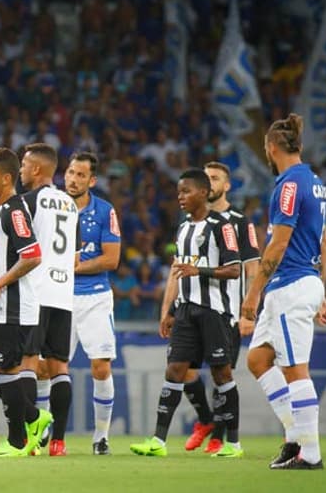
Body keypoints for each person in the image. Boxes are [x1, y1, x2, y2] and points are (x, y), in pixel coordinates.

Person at [130, 169, 242, 458]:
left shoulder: (223, 225)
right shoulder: (182, 229)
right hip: (185, 310)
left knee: (221, 373)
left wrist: (199, 270)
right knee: (175, 370)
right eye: (178, 192)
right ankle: (158, 441)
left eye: (186, 191)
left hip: (214, 311)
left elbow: (234, 269)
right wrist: (168, 310)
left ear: (203, 193)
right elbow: (178, 271)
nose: (180, 197)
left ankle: (233, 443)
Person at [242, 113, 326, 470]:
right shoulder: (316, 183)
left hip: (290, 285)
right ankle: (295, 438)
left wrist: (252, 294)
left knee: (296, 370)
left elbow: (278, 245)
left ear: (271, 148)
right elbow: (323, 241)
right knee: (258, 360)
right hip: (303, 281)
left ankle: (310, 455)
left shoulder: (289, 185)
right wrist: (321, 289)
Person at [0, 147, 52, 457]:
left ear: (6, 179)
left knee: (7, 370)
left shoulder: (16, 211)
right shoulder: (0, 211)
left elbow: (32, 255)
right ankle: (34, 416)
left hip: (13, 306)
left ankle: (17, 442)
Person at [182, 161, 261, 454]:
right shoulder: (191, 220)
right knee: (186, 371)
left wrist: (248, 311)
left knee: (221, 375)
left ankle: (218, 436)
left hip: (226, 311)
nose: (210, 183)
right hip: (191, 308)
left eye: (215, 178)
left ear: (226, 186)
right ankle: (205, 421)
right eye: (206, 178)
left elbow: (253, 267)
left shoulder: (240, 222)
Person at [18, 143, 79, 456]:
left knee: (28, 362)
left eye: (25, 165)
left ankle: (30, 437)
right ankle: (59, 441)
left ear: (38, 169)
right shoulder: (69, 203)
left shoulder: (30, 201)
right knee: (59, 365)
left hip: (37, 291)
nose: (21, 170)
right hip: (63, 292)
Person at [64, 152, 121, 455]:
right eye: (70, 173)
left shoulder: (104, 210)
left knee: (100, 368)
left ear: (92, 180)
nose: (73, 179)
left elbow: (112, 259)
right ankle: (50, 433)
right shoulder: (53, 207)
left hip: (95, 296)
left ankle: (101, 437)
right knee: (50, 369)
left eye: (80, 175)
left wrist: (74, 268)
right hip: (59, 297)